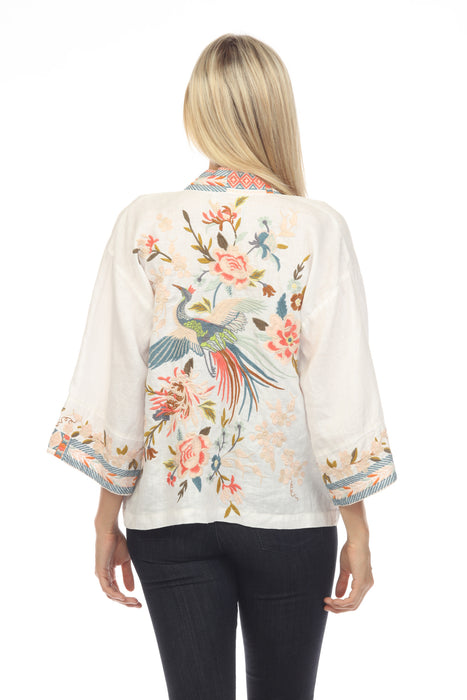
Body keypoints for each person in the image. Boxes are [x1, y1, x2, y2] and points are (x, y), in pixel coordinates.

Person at [47, 33, 397, 700]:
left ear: (197, 110)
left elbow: (117, 376)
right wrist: (357, 528)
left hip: (168, 514)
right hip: (290, 518)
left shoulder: (144, 221)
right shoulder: (316, 226)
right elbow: (339, 388)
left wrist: (105, 517)